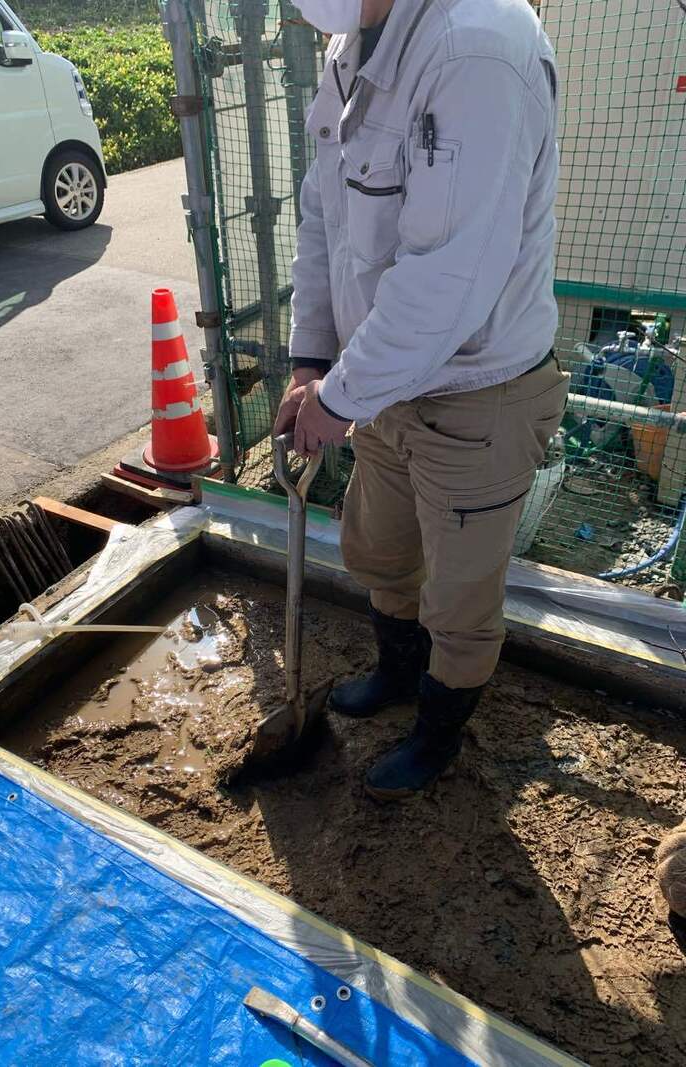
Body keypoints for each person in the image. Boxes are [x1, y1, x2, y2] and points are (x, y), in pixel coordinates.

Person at [275, 0, 569, 799]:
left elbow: (450, 278)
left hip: (476, 391)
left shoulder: (478, 50)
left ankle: (438, 735)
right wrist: (311, 361)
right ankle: (398, 674)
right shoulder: (355, 42)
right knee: (381, 550)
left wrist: (340, 397)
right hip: (381, 381)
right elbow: (324, 216)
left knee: (459, 598)